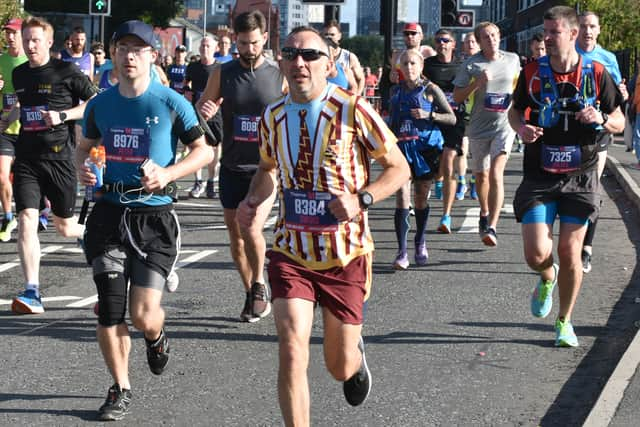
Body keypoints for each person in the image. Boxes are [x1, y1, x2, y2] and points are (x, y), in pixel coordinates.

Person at [236, 25, 409, 425]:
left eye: (310, 55)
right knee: (292, 347)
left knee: (338, 367)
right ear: (281, 61)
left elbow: (398, 168)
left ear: (329, 63)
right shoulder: (273, 116)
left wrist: (362, 198)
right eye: (291, 54)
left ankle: (355, 356)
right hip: (290, 249)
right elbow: (266, 170)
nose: (300, 62)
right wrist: (252, 200)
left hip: (344, 252)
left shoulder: (353, 109)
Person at [77, 20, 213, 421]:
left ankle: (155, 336)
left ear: (153, 56)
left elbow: (203, 151)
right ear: (114, 55)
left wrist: (169, 174)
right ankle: (120, 387)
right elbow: (84, 147)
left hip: (154, 217)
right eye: (123, 48)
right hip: (108, 213)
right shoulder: (99, 104)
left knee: (142, 314)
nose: (130, 55)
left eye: (139, 49)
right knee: (110, 308)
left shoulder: (172, 102)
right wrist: (85, 167)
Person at [509, 5, 624, 347]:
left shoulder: (596, 72)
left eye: (553, 32)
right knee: (535, 252)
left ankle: (564, 321)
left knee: (570, 251)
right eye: (545, 32)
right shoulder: (531, 71)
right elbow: (515, 112)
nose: (546, 38)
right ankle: (546, 276)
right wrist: (522, 129)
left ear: (573, 34)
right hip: (540, 173)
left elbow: (619, 120)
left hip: (581, 173)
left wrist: (600, 120)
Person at [3, 16, 97, 314]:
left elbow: (95, 103)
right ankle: (32, 292)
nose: (29, 45)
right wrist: (11, 116)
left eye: (35, 40)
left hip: (60, 160)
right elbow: (24, 103)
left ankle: (96, 235)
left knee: (66, 228)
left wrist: (64, 115)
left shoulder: (65, 71)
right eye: (26, 39)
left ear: (48, 42)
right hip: (28, 159)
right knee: (27, 220)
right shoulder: (19, 75)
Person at [197, 10, 286, 322]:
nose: (249, 49)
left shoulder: (278, 75)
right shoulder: (224, 72)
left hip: (265, 168)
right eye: (243, 43)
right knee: (235, 238)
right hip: (232, 165)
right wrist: (204, 111)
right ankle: (250, 290)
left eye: (254, 42)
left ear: (264, 38)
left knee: (251, 227)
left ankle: (260, 283)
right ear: (236, 39)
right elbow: (201, 110)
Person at [453, 21, 521, 246]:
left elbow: (520, 86)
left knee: (495, 173)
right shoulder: (472, 64)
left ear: (499, 36)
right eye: (485, 36)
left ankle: (492, 226)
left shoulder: (512, 59)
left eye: (493, 35)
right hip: (478, 127)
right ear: (479, 41)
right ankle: (484, 212)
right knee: (480, 175)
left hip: (505, 124)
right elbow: (458, 97)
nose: (490, 39)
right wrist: (476, 83)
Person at [389, 49, 455, 268]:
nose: (409, 68)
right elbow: (391, 124)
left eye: (413, 64)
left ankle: (420, 240)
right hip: (402, 150)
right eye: (405, 63)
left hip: (425, 151)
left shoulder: (430, 89)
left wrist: (430, 115)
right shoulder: (395, 92)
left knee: (420, 198)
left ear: (421, 66)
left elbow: (452, 118)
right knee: (402, 197)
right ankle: (402, 251)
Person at [576, 11, 628, 274]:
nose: (587, 31)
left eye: (592, 26)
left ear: (598, 30)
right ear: (576, 30)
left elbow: (618, 96)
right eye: (583, 26)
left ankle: (587, 247)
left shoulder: (608, 59)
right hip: (570, 134)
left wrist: (623, 94)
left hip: (599, 130)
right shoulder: (568, 55)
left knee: (593, 189)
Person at [422, 29, 469, 233]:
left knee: (449, 159)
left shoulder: (461, 66)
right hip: (433, 119)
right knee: (438, 164)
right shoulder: (428, 65)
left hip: (455, 120)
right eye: (438, 40)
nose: (442, 43)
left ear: (453, 44)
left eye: (446, 40)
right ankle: (438, 181)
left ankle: (446, 216)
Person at [0, 18, 27, 243]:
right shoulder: (1, 60)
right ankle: (8, 217)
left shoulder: (30, 61)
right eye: (7, 32)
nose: (9, 36)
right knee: (2, 176)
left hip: (28, 127)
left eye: (13, 33)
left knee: (28, 178)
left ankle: (42, 207)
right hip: (4, 127)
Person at [184, 35, 220, 199]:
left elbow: (226, 91)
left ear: (215, 48)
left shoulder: (220, 68)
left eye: (208, 46)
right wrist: (188, 97)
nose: (205, 49)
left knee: (215, 148)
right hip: (196, 112)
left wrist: (216, 106)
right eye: (203, 46)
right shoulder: (192, 67)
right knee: (196, 146)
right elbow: (186, 85)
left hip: (216, 113)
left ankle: (211, 181)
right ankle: (198, 181)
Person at [323, 20, 365, 94]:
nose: (329, 37)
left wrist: (356, 97)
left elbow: (361, 79)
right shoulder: (319, 56)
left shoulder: (349, 57)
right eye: (326, 34)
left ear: (339, 36)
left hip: (344, 99)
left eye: (332, 34)